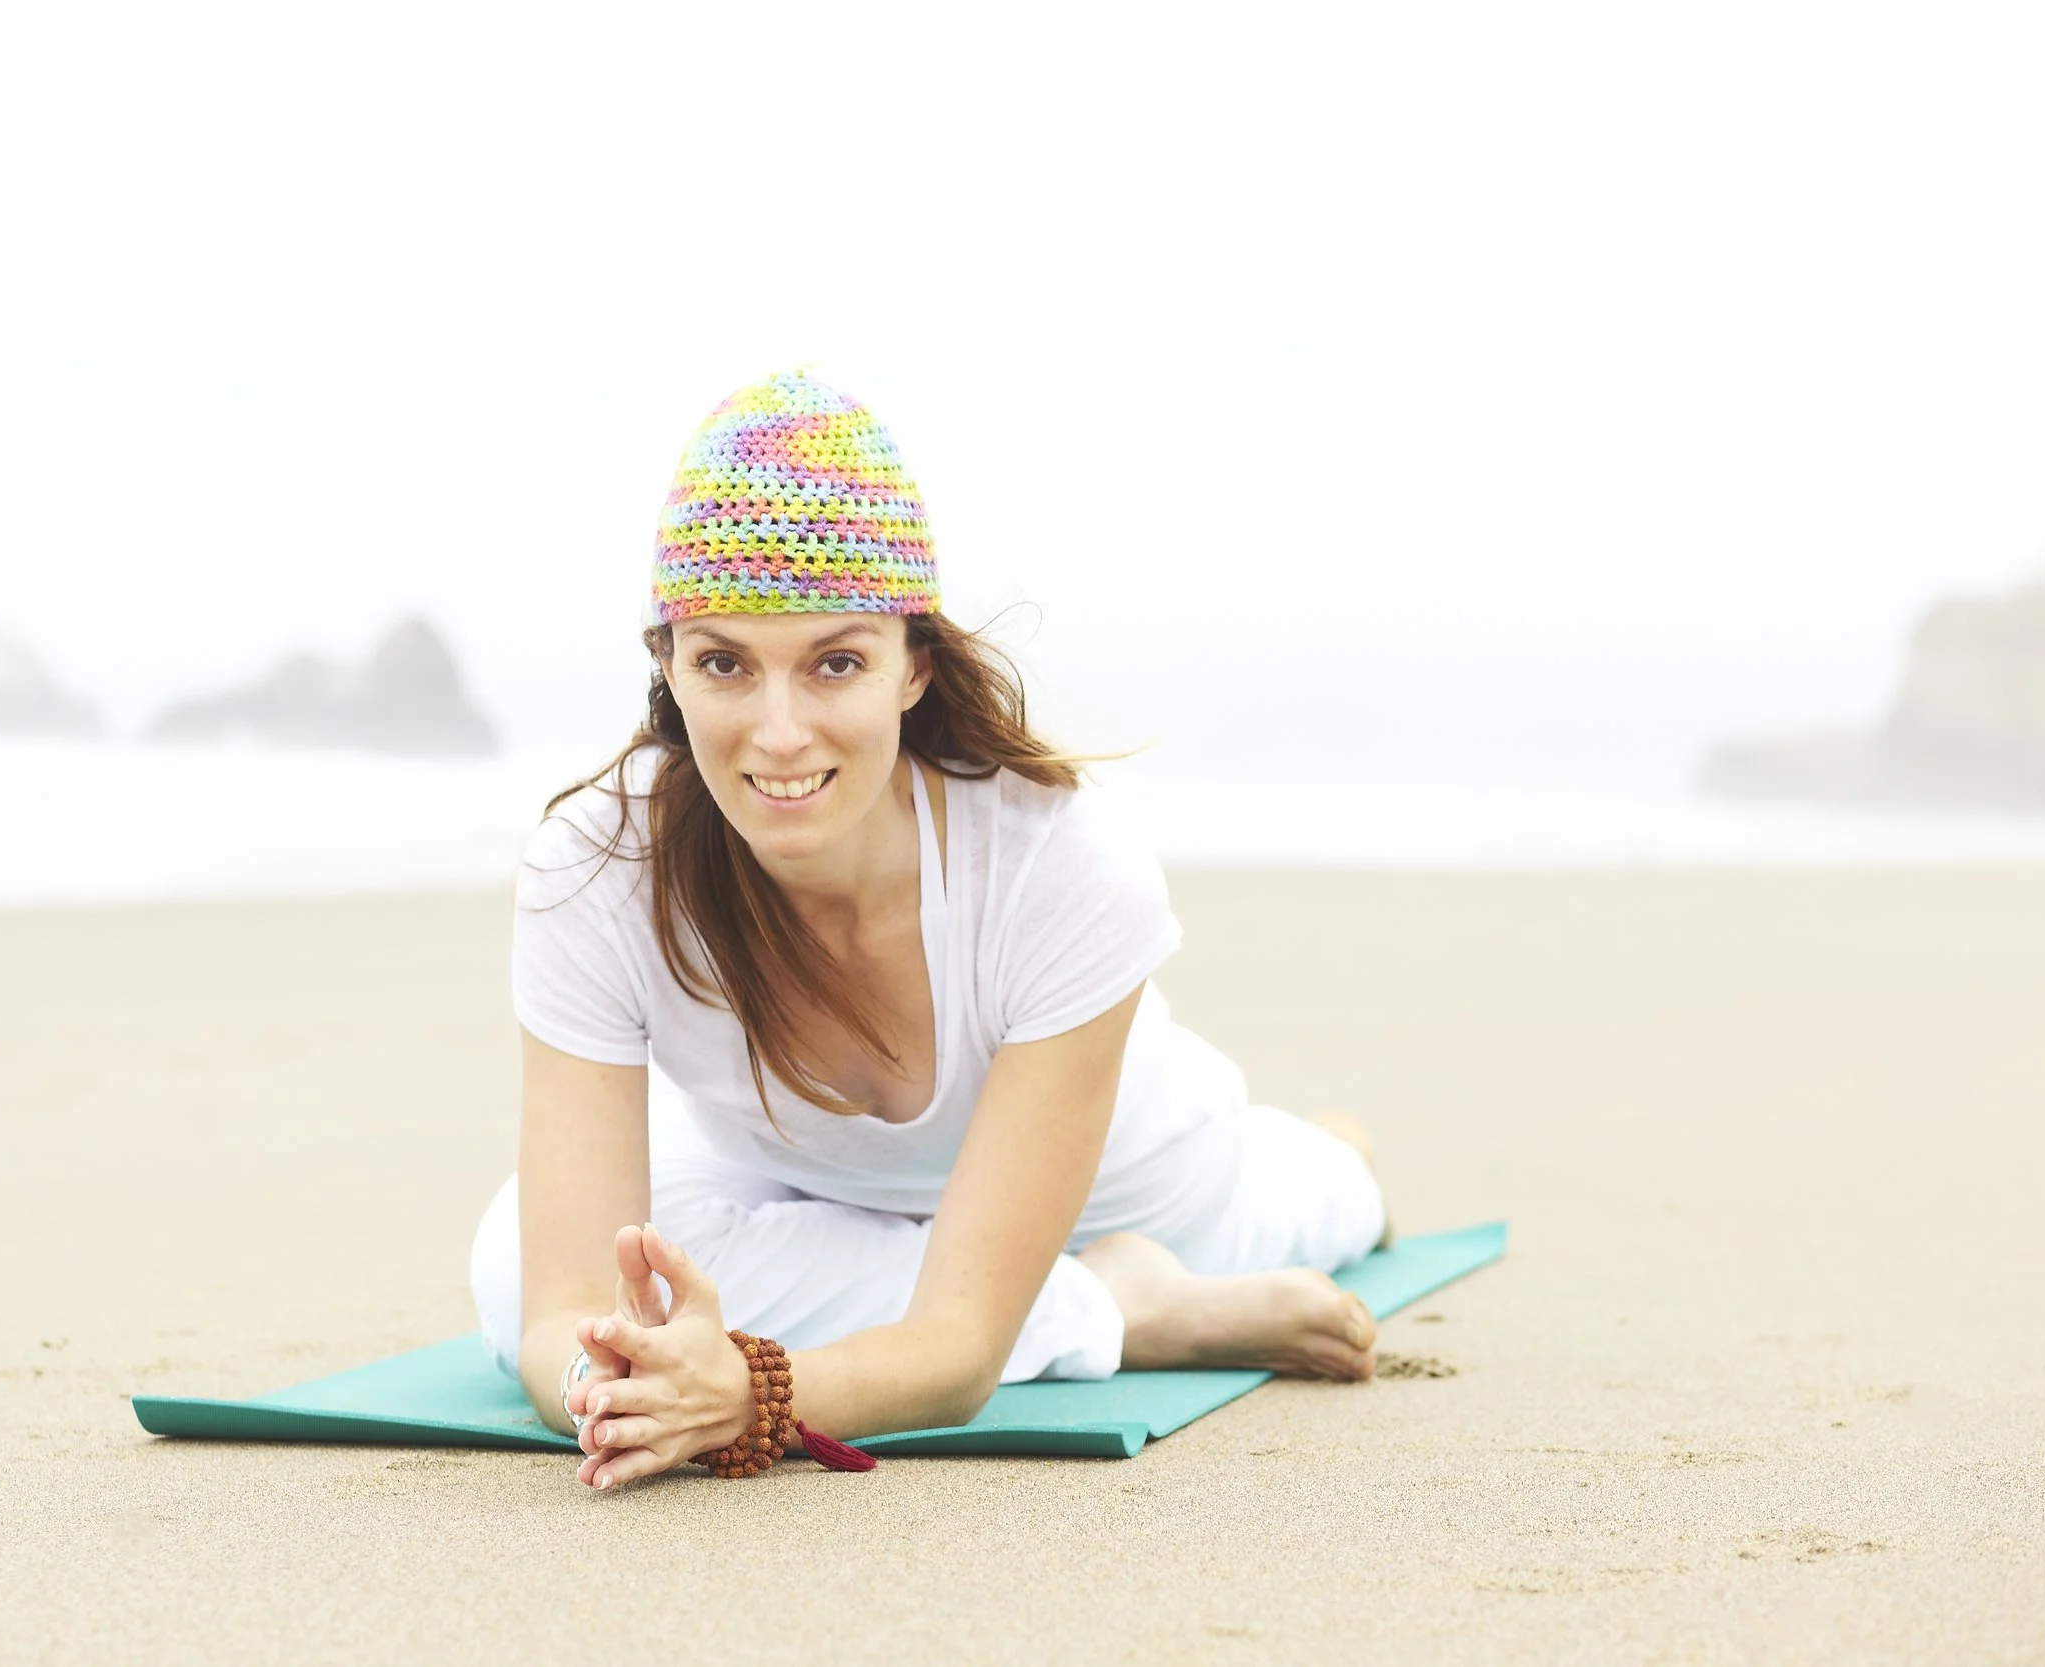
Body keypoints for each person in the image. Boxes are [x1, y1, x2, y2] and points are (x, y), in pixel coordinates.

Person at [469, 370, 1387, 1489]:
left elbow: (954, 1356)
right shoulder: (592, 869)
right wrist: (615, 1384)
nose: (777, 731)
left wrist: (744, 1392)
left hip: (1138, 1185)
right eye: (722, 662)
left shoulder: (1061, 862)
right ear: (665, 663)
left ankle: (1282, 1188)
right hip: (802, 1196)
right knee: (506, 1260)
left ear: (915, 665)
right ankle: (1115, 1311)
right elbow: (563, 1304)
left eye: (835, 662)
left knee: (1331, 1196)